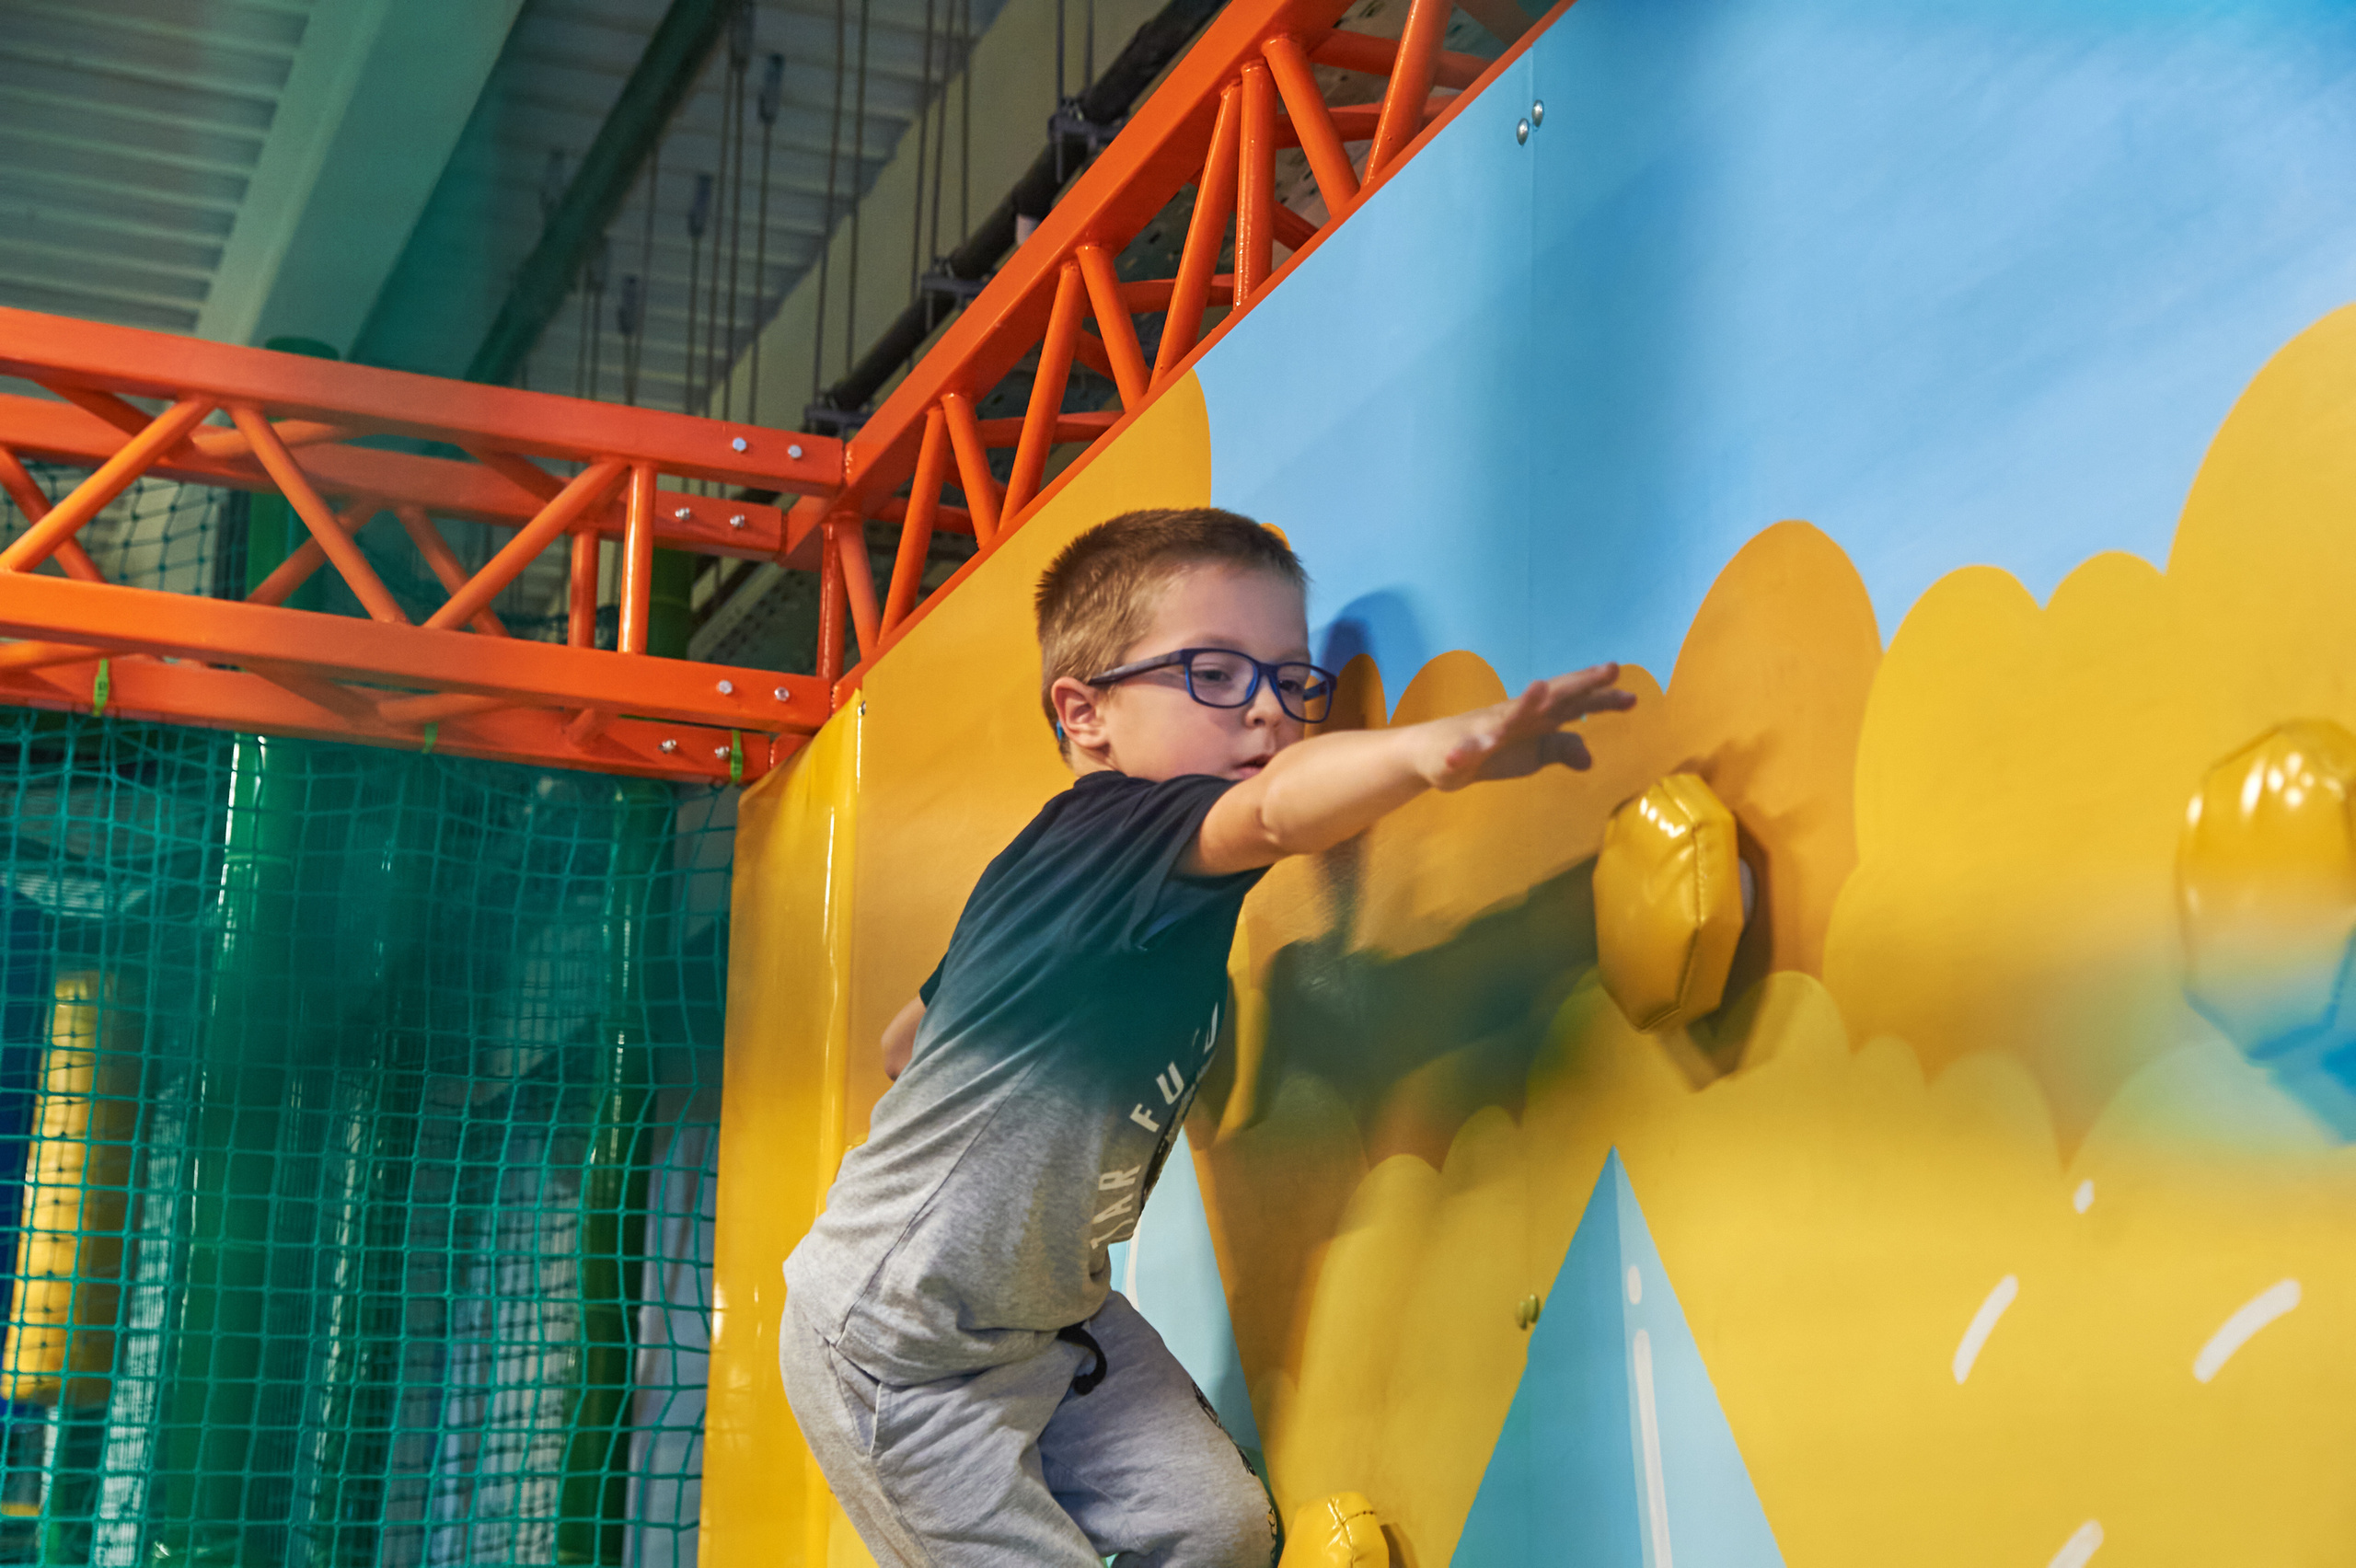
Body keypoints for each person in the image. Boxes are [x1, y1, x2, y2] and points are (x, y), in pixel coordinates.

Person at [780, 508, 1633, 1566]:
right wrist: (1426, 753)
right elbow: (1274, 814)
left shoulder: (1070, 884)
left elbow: (904, 1039)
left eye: (1290, 682)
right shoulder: (1111, 828)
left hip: (1051, 1315)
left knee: (1213, 1529)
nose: (1268, 716)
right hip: (902, 1344)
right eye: (1216, 676)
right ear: (1084, 714)